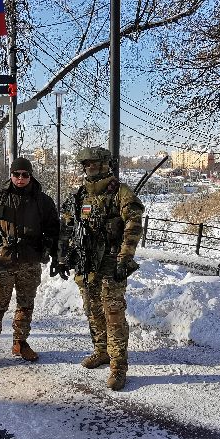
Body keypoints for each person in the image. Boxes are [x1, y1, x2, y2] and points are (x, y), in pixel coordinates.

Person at [54, 146, 144, 391]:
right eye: (86, 165)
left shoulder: (120, 193)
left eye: (94, 164)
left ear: (106, 165)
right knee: (92, 311)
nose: (89, 168)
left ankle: (118, 366)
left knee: (113, 315)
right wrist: (62, 258)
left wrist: (124, 258)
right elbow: (66, 227)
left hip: (111, 263)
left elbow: (134, 226)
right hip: (86, 264)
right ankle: (101, 351)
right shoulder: (80, 195)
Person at [0, 157, 59, 371]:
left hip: (30, 262)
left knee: (25, 305)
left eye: (25, 175)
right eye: (16, 174)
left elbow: (55, 230)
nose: (20, 178)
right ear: (11, 175)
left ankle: (20, 343)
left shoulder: (43, 202)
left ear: (31, 176)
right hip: (2, 261)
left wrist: (57, 255)